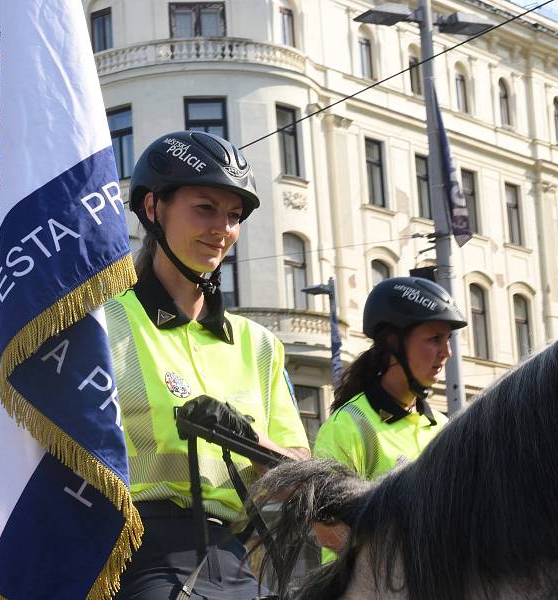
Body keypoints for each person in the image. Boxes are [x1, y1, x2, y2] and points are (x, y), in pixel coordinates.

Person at [107, 130, 310, 599]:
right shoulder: (104, 322)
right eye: (205, 208)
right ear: (153, 208)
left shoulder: (259, 345)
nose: (223, 228)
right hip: (131, 554)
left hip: (232, 553)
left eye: (234, 216)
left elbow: (298, 476)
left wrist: (250, 441)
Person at [311, 276, 467, 556]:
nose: (447, 352)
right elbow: (326, 528)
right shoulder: (348, 426)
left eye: (447, 339)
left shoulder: (442, 427)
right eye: (434, 339)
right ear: (393, 343)